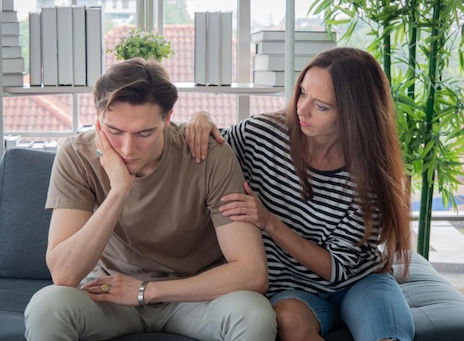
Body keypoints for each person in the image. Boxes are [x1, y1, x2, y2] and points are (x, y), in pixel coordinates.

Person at [24, 57, 277, 341]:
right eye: (114, 131)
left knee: (254, 314)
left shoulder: (208, 154)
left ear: (167, 119)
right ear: (97, 119)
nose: (127, 148)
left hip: (195, 294)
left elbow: (253, 272)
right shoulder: (76, 155)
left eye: (144, 133)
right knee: (48, 306)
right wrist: (119, 190)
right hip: (110, 292)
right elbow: (64, 275)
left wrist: (146, 291)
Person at [185, 47, 414, 341]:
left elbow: (337, 269)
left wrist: (269, 222)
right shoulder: (261, 135)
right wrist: (201, 118)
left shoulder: (371, 176)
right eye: (303, 93)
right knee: (290, 322)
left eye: (321, 106)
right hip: (289, 288)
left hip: (358, 283)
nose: (301, 109)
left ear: (354, 114)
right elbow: (208, 151)